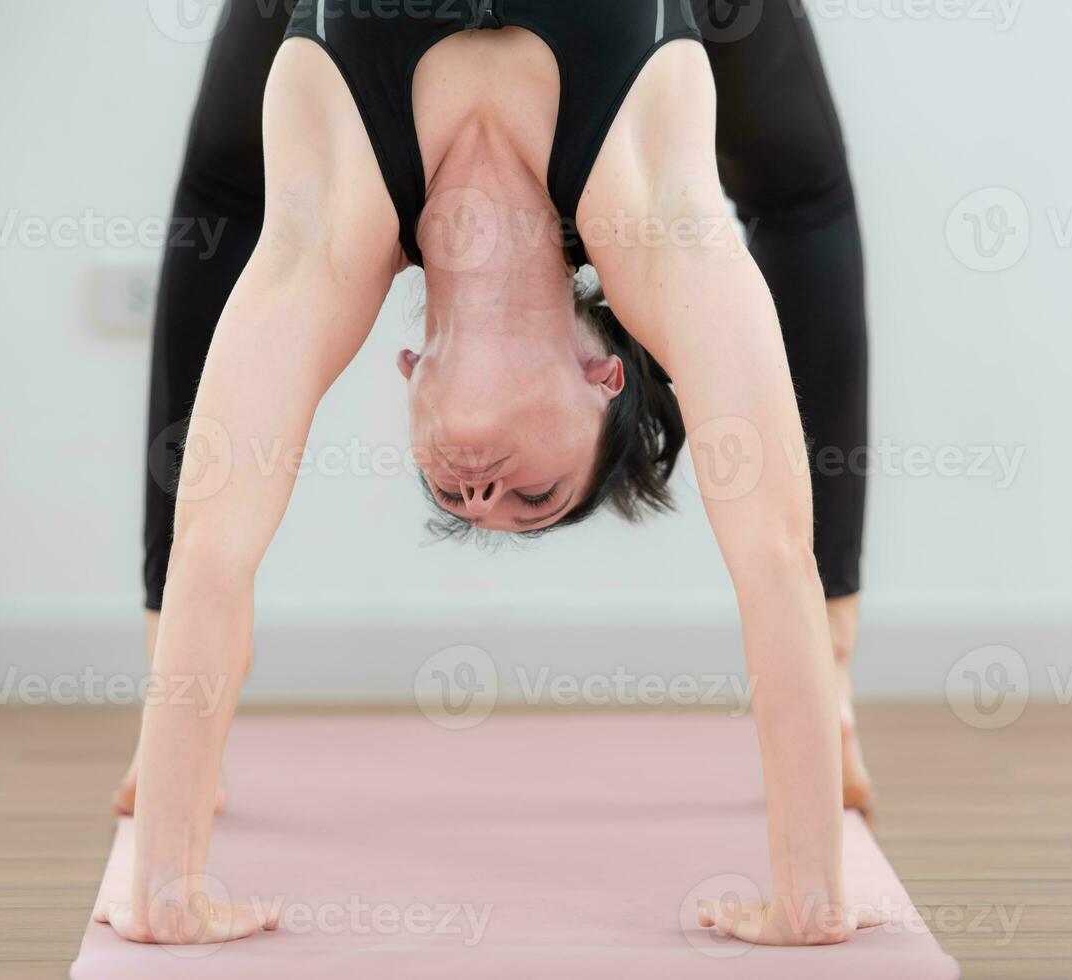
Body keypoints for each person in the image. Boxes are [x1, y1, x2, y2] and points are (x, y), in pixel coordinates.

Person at [103, 0, 876, 948]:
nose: (480, 493)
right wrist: (807, 897)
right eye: (533, 496)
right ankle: (834, 682)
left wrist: (168, 891)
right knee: (801, 186)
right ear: (606, 380)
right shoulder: (661, 233)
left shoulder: (333, 233)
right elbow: (772, 559)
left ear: (409, 377)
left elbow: (214, 549)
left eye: (454, 501)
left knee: (225, 195)